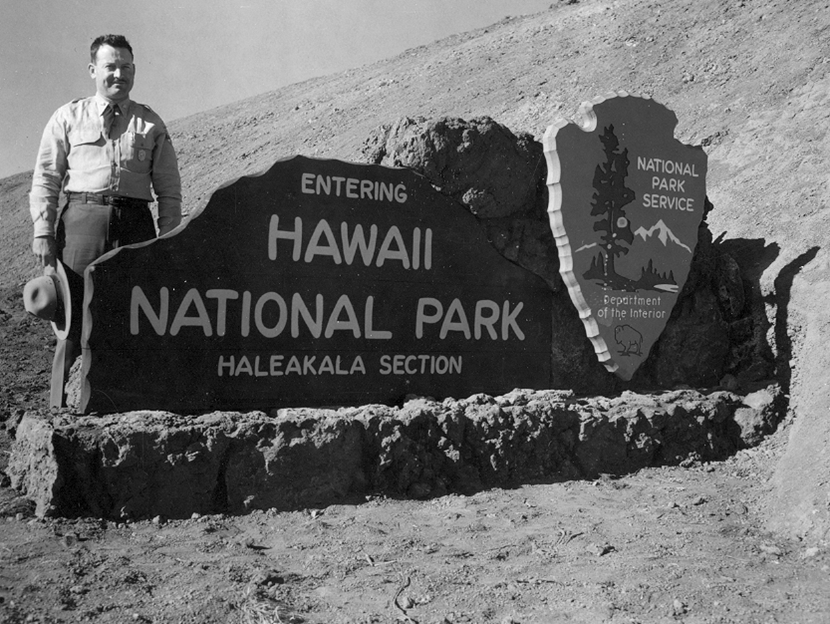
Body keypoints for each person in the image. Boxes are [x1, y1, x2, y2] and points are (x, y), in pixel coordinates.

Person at [29, 34, 182, 408]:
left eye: (126, 67)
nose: (119, 74)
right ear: (93, 69)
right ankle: (59, 411)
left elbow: (169, 190)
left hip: (135, 227)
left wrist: (172, 240)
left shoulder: (150, 123)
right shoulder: (68, 116)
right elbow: (46, 177)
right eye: (111, 66)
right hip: (81, 223)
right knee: (73, 320)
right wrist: (44, 232)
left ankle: (125, 409)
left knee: (132, 321)